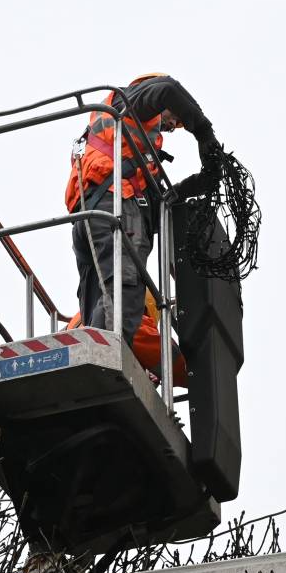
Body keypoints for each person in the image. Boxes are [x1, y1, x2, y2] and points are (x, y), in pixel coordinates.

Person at [64, 74, 219, 378]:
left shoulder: (126, 144)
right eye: (174, 119)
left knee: (100, 299)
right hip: (115, 208)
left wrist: (195, 185)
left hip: (91, 214)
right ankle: (100, 370)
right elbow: (168, 89)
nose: (172, 126)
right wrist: (204, 132)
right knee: (124, 290)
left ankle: (89, 366)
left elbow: (156, 204)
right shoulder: (134, 103)